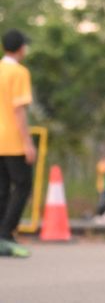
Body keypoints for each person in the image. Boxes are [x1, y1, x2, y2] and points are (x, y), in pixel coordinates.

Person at [0, 29, 36, 258]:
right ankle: (5, 234)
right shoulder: (19, 73)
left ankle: (2, 235)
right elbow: (18, 110)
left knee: (2, 188)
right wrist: (28, 143)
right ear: (21, 48)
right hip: (13, 140)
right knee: (23, 185)